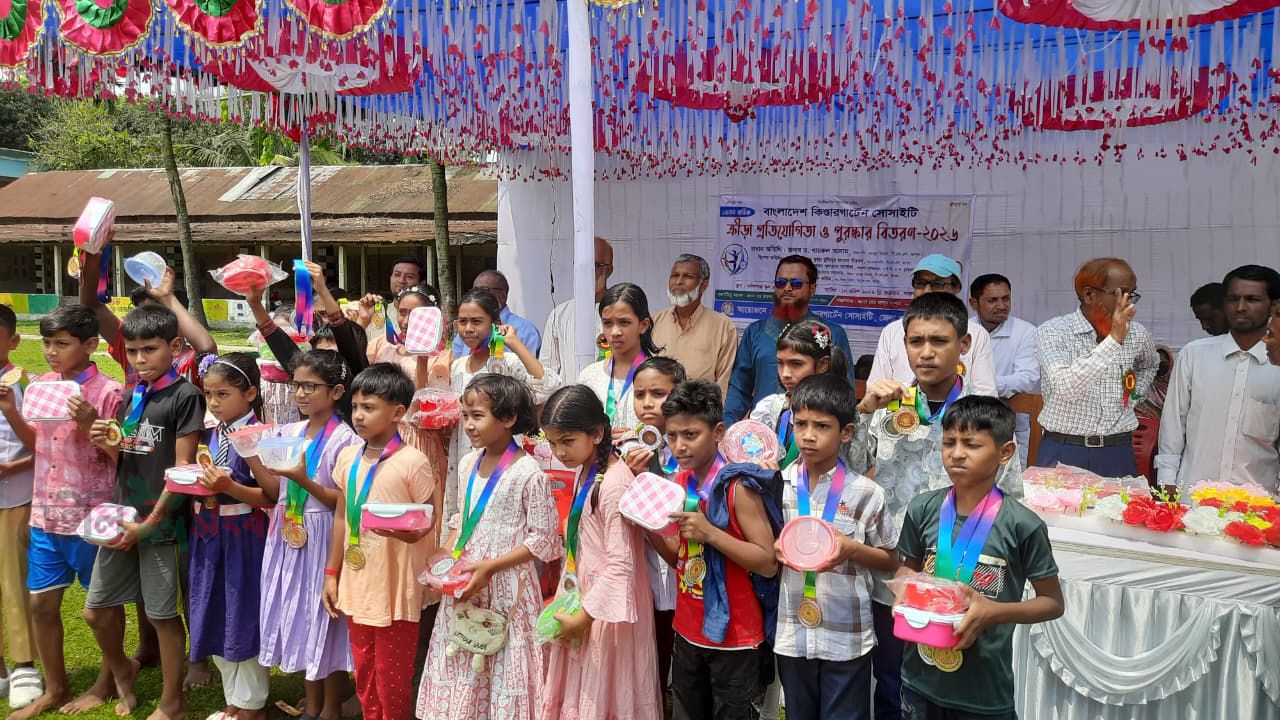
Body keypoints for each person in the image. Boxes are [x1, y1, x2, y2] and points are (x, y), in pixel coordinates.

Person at [854, 292, 1024, 720]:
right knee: (892, 680)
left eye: (939, 341)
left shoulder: (984, 418)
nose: (926, 353)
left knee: (956, 691)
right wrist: (862, 411)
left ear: (963, 345)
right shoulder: (888, 409)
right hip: (896, 572)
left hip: (964, 580)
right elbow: (850, 473)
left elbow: (1011, 500)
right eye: (916, 341)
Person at [894, 396, 1064, 719]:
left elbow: (1053, 602)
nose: (957, 453)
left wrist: (994, 612)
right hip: (920, 679)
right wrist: (903, 593)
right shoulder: (922, 510)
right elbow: (906, 570)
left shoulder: (1023, 526)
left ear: (1004, 453)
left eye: (971, 444)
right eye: (949, 442)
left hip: (983, 691)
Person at [85, 304, 207, 720]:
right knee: (95, 610)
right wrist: (103, 438)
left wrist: (150, 524)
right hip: (122, 516)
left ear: (174, 346)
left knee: (161, 616)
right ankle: (123, 673)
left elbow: (182, 470)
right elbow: (127, 453)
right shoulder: (131, 393)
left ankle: (173, 703)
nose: (139, 360)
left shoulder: (185, 396)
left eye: (149, 350)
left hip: (161, 523)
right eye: (132, 351)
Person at [416, 375, 562, 720]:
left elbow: (542, 539)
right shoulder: (468, 464)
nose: (468, 425)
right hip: (468, 581)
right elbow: (461, 521)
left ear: (509, 418)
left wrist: (491, 567)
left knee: (504, 657)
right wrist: (445, 558)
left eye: (477, 416)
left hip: (508, 587)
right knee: (464, 650)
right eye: (465, 415)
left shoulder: (529, 472)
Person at [1, 306, 122, 719]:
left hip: (92, 517)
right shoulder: (38, 385)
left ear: (91, 345)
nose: (51, 352)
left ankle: (106, 682)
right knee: (41, 605)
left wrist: (92, 423)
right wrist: (13, 413)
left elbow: (118, 455)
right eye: (48, 343)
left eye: (61, 344)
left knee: (102, 609)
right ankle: (55, 688)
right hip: (45, 515)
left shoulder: (108, 392)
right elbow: (40, 446)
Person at [647, 380, 780, 720]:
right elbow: (679, 556)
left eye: (690, 435)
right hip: (688, 629)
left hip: (737, 637)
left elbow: (767, 563)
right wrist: (648, 529)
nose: (679, 446)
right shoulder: (679, 484)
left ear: (718, 431)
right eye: (672, 436)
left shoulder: (737, 487)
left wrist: (711, 534)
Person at [773, 374, 898, 720]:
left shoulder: (866, 493)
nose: (809, 435)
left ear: (846, 432)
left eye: (822, 426)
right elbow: (765, 550)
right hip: (792, 632)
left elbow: (890, 559)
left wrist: (851, 550)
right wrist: (774, 550)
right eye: (801, 424)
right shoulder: (777, 486)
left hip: (847, 635)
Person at [538, 386, 662, 720]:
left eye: (566, 441)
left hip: (607, 611)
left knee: (603, 693)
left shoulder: (614, 483)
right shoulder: (587, 469)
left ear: (596, 434)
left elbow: (622, 564)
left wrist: (585, 616)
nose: (559, 451)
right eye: (552, 443)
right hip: (587, 598)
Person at [325, 364, 438, 720]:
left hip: (395, 587)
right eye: (356, 407)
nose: (358, 416)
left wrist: (403, 533)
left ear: (398, 413)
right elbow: (343, 515)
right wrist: (332, 572)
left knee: (393, 677)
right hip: (358, 582)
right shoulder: (348, 458)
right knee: (364, 671)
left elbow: (427, 522)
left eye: (369, 408)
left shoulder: (413, 462)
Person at [256, 351, 361, 720]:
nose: (300, 394)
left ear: (335, 392)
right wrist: (252, 455)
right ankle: (311, 705)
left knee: (324, 622)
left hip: (322, 537)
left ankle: (330, 708)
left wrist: (302, 479)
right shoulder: (287, 432)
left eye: (309, 386)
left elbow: (342, 501)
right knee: (299, 616)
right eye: (296, 385)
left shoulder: (345, 441)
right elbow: (274, 490)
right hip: (287, 533)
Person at [190, 354, 271, 720]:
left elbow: (269, 496)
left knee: (242, 612)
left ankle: (252, 705)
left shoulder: (259, 436)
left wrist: (229, 486)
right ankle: (233, 700)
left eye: (223, 393)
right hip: (208, 535)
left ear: (250, 393)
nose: (214, 402)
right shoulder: (212, 431)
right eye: (209, 394)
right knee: (214, 609)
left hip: (244, 537)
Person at [1156, 265, 1280, 494]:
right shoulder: (1194, 354)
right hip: (1192, 496)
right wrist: (1166, 479)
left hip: (1258, 502)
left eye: (1252, 299)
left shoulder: (1277, 364)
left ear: (1273, 305)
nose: (1240, 307)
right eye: (1233, 299)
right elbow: (1174, 422)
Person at [1035, 258, 1159, 477]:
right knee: (1055, 512)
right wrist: (1113, 340)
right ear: (1089, 295)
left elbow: (1150, 364)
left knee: (1117, 512)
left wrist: (1133, 395)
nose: (1129, 303)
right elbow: (1066, 387)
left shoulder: (1137, 333)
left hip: (1117, 450)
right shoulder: (1053, 332)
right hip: (1063, 448)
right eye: (1121, 294)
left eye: (1133, 294)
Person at [448, 289, 557, 521]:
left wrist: (514, 343)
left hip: (504, 457)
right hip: (465, 454)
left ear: (496, 324)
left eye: (477, 321)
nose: (468, 329)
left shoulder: (506, 362)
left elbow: (549, 385)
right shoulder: (457, 366)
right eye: (463, 321)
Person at [619, 356, 687, 705]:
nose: (647, 403)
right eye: (640, 393)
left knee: (685, 667)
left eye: (658, 394)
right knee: (650, 662)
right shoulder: (624, 449)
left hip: (684, 578)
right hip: (643, 574)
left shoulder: (690, 452)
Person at [724, 255, 855, 424]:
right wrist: (727, 427)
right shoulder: (755, 333)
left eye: (796, 283)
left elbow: (845, 391)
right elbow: (739, 389)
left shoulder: (831, 333)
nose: (787, 288)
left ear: (813, 288)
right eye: (781, 282)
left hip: (813, 434)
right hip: (761, 436)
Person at [78, 246, 218, 392]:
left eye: (155, 314)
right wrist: (92, 250)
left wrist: (166, 297)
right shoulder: (133, 348)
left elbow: (206, 349)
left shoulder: (189, 364)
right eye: (141, 314)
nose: (140, 359)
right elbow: (92, 305)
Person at [868, 254, 998, 399]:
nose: (927, 291)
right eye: (921, 283)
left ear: (956, 288)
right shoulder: (892, 331)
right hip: (902, 418)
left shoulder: (977, 333)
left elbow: (986, 395)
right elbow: (876, 386)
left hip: (958, 418)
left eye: (937, 284)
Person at [749, 321, 851, 471]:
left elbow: (853, 463)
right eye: (780, 363)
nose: (785, 374)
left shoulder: (840, 411)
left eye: (796, 364)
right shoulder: (770, 407)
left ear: (823, 364)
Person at [0, 306, 38, 713]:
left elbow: (45, 443)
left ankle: (24, 662)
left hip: (12, 496)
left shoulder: (23, 385)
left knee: (14, 580)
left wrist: (12, 467)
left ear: (13, 341)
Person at [968, 274, 1039, 463]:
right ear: (973, 303)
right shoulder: (963, 330)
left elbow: (1028, 378)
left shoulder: (1026, 332)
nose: (1001, 305)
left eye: (1005, 299)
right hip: (967, 422)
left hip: (1010, 425)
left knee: (1010, 485)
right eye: (992, 300)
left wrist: (985, 385)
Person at [579, 283, 663, 430]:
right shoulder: (589, 376)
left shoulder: (662, 378)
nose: (615, 332)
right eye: (608, 323)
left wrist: (633, 439)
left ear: (643, 325)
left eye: (624, 322)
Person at [651, 255, 739, 393]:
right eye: (674, 275)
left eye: (688, 277)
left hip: (698, 412)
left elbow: (724, 382)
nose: (679, 282)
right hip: (656, 410)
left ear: (703, 285)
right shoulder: (654, 322)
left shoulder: (723, 327)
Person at [541, 236, 614, 385]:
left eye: (595, 265)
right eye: (581, 265)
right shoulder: (560, 314)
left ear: (609, 270)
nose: (587, 271)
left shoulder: (623, 313)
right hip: (572, 402)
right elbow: (548, 371)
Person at [451, 270, 542, 358]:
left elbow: (530, 370)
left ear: (502, 296)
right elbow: (454, 362)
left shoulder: (526, 330)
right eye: (474, 291)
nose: (477, 296)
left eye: (483, 291)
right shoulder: (467, 329)